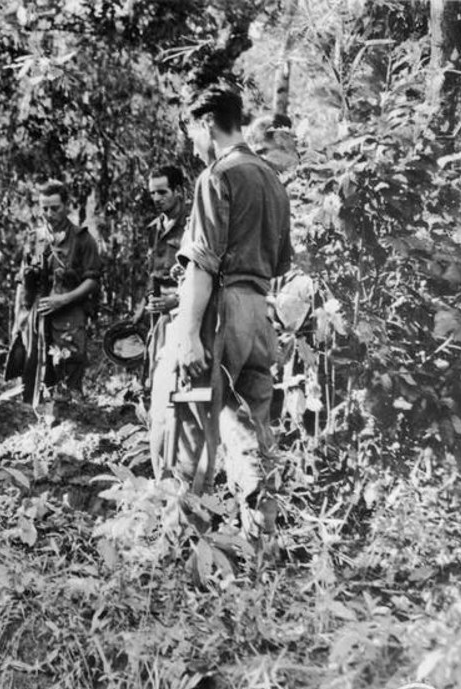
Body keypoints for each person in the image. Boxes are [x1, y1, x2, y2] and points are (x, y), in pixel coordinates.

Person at [149, 86, 293, 530]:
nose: (192, 144)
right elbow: (282, 260)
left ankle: (184, 552)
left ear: (207, 123)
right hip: (259, 313)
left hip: (221, 313)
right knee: (254, 430)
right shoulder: (272, 179)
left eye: (192, 131)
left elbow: (203, 265)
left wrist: (189, 334)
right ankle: (259, 545)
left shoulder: (216, 176)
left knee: (184, 422)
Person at [13, 180, 101, 406]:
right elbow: (23, 281)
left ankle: (74, 422)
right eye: (44, 208)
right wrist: (19, 321)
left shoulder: (82, 239)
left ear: (67, 206)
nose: (49, 213)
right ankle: (42, 418)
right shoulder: (34, 238)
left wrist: (63, 299)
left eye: (55, 208)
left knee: (69, 363)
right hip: (37, 315)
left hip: (69, 314)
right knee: (37, 369)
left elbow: (92, 280)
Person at [132, 165, 188, 386]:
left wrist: (176, 300)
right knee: (154, 364)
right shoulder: (154, 229)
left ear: (178, 191)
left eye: (162, 192)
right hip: (158, 307)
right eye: (152, 193)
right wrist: (142, 307)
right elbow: (152, 273)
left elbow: (205, 273)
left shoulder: (193, 224)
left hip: (185, 306)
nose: (156, 198)